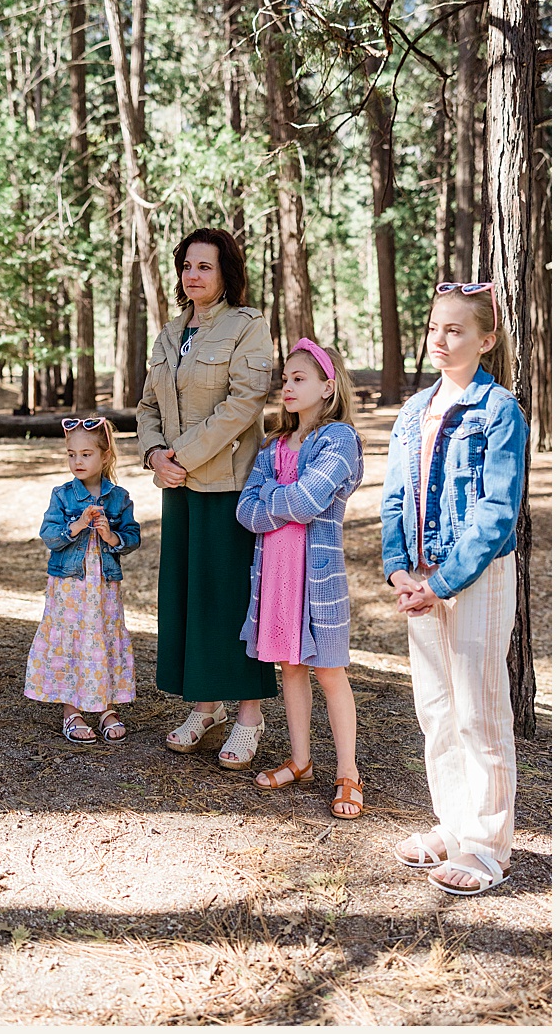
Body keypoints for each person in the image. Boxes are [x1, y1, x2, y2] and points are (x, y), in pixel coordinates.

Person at [382, 284, 527, 896]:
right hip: (419, 579)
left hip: (475, 578)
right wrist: (399, 571)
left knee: (478, 710)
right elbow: (393, 497)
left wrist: (441, 582)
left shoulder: (499, 411)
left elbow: (497, 511)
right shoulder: (414, 411)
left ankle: (488, 847)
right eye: (435, 328)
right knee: (436, 710)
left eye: (456, 331)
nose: (440, 341)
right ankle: (454, 823)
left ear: (485, 339)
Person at [136, 228, 276, 768]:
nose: (193, 275)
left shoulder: (247, 326)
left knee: (229, 601)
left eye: (205, 267)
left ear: (226, 274)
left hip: (229, 486)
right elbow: (148, 406)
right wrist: (154, 456)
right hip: (179, 485)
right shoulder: (170, 333)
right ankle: (205, 705)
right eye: (187, 266)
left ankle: (248, 716)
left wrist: (183, 457)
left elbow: (244, 403)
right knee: (190, 599)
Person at [236, 340, 365, 818]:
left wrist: (274, 496)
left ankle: (348, 773)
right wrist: (282, 497)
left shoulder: (339, 441)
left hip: (318, 580)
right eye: (285, 379)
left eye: (299, 379)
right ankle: (301, 760)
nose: (286, 387)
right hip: (274, 577)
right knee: (290, 668)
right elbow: (245, 512)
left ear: (327, 387)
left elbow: (310, 501)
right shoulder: (273, 446)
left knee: (329, 672)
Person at [24, 417, 141, 744]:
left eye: (86, 454)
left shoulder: (119, 498)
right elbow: (49, 535)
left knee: (103, 634)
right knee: (72, 639)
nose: (78, 461)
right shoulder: (62, 495)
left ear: (104, 456)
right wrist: (76, 526)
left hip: (103, 583)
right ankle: (72, 709)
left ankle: (104, 705)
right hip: (69, 585)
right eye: (71, 454)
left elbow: (133, 537)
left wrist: (111, 534)